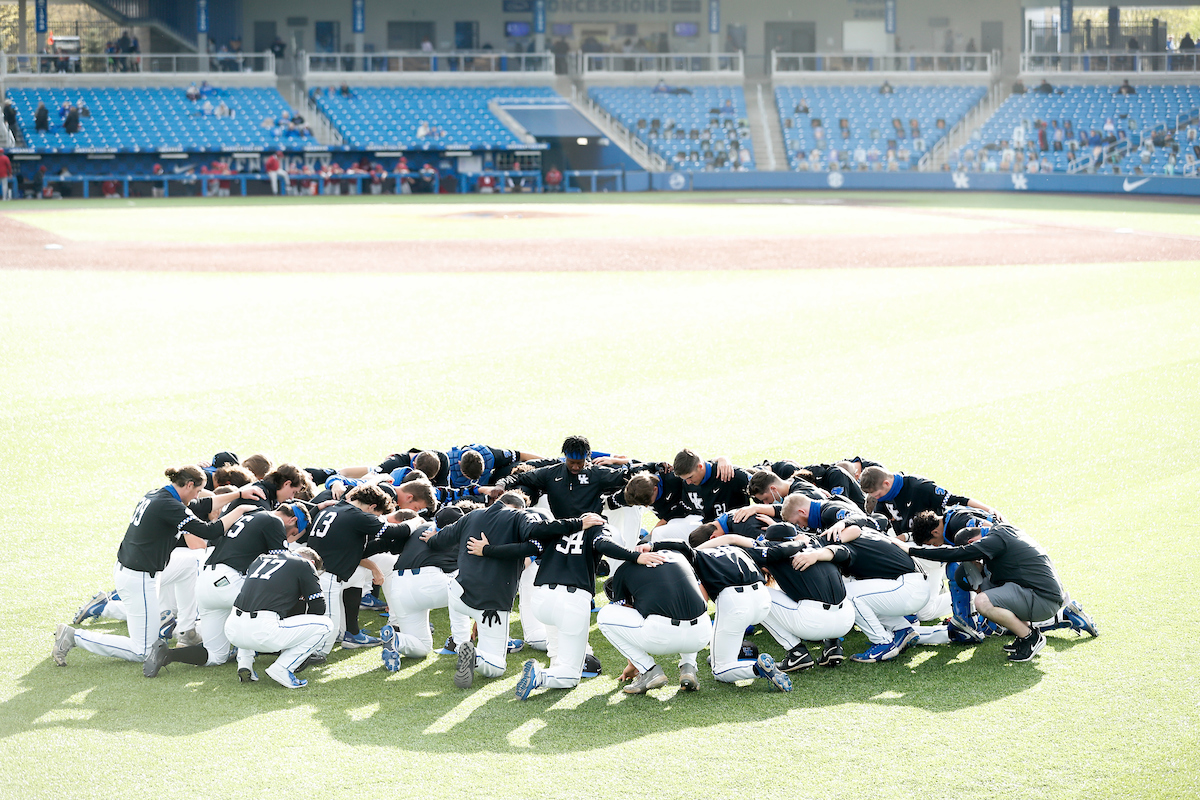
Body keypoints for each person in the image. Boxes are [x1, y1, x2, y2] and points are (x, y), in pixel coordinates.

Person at [53, 466, 262, 668]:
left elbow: (202, 506)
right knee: (143, 650)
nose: (197, 496)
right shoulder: (168, 505)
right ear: (189, 485)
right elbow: (208, 531)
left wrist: (238, 495)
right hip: (139, 577)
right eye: (197, 491)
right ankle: (74, 636)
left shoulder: (160, 495)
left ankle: (187, 631)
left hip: (138, 569)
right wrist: (241, 509)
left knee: (191, 561)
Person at [422, 492, 602, 688]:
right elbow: (539, 530)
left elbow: (439, 541)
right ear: (517, 507)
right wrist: (577, 524)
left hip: (459, 594)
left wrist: (431, 538)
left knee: (456, 596)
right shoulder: (518, 516)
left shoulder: (471, 516)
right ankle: (477, 656)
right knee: (496, 665)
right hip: (490, 603)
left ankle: (459, 641)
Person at [142, 502, 313, 677]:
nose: (291, 536)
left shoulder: (251, 518)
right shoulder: (274, 520)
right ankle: (260, 659)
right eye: (294, 531)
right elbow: (282, 563)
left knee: (216, 655)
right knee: (270, 607)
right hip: (229, 579)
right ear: (292, 519)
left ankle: (167, 654)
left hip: (206, 581)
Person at [514, 520, 664, 699]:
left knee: (556, 651)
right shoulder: (598, 528)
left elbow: (524, 549)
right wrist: (635, 556)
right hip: (572, 600)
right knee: (571, 676)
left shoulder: (558, 527)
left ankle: (554, 668)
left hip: (541, 598)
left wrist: (486, 550)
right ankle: (540, 676)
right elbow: (604, 544)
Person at [905, 522, 1095, 662]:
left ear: (972, 542)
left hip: (1042, 597)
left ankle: (1031, 637)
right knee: (983, 591)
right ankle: (1030, 633)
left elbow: (957, 554)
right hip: (1038, 592)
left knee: (982, 602)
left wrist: (911, 550)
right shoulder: (1000, 531)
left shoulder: (993, 540)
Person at [597, 543, 712, 693]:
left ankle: (648, 670)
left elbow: (624, 608)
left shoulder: (625, 569)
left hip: (660, 637)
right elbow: (704, 598)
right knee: (687, 607)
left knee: (605, 615)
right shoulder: (680, 558)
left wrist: (634, 663)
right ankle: (688, 668)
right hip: (701, 635)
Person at [223, 546, 336, 687]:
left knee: (251, 610)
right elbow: (319, 607)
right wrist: (301, 643)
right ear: (312, 564)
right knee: (326, 625)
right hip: (263, 631)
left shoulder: (261, 559)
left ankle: (244, 663)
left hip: (232, 630)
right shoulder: (305, 564)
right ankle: (283, 667)